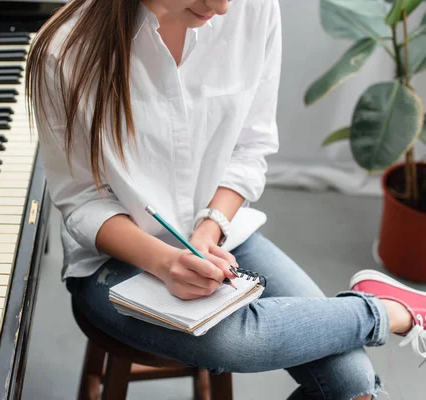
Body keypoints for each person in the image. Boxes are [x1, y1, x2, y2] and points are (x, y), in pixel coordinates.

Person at [25, 1, 426, 398]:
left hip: (223, 238)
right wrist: (164, 261)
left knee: (352, 386)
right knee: (235, 343)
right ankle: (387, 309)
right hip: (116, 262)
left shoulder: (255, 8)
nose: (220, 8)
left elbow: (251, 148)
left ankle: (385, 309)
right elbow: (81, 200)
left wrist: (209, 230)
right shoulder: (63, 50)